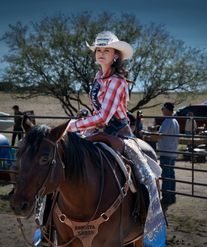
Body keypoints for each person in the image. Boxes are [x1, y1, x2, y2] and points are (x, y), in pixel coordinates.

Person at [67, 31, 166, 246]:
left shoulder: (117, 81)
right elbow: (97, 112)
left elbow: (104, 115)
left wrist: (72, 125)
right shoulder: (98, 78)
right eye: (98, 50)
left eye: (106, 51)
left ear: (115, 56)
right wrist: (83, 120)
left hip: (117, 132)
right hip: (96, 129)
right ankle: (47, 224)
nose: (101, 54)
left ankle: (147, 219)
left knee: (144, 172)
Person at [157, 102, 180, 210]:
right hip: (172, 151)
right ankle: (172, 196)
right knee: (171, 174)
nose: (162, 110)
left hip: (166, 151)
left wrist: (147, 135)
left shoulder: (167, 121)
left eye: (163, 108)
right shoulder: (175, 121)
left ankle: (166, 197)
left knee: (166, 175)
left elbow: (161, 135)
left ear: (167, 110)